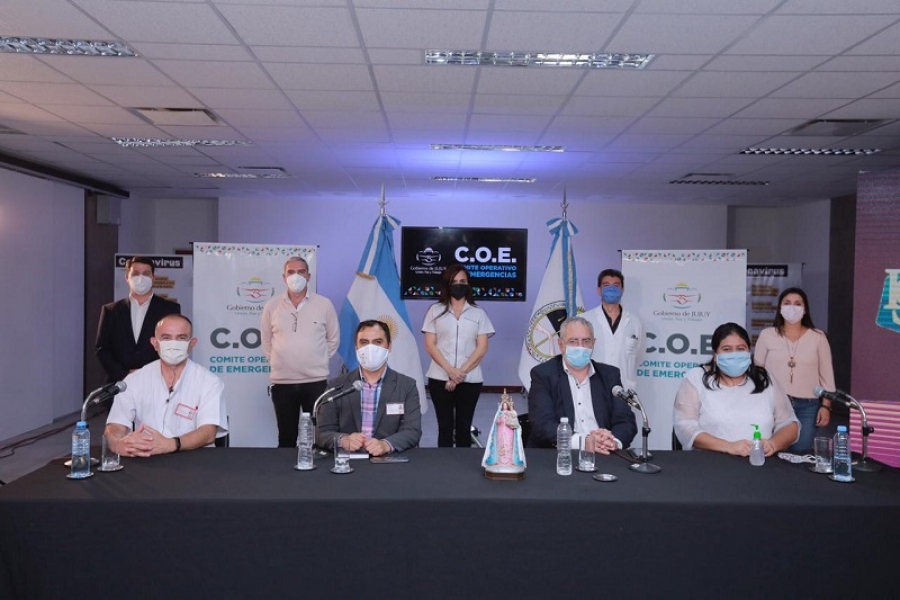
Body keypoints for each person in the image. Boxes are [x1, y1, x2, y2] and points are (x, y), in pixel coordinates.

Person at [105, 314, 227, 457]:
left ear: (192, 344)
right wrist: (118, 443)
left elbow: (208, 433)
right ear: (155, 343)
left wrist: (172, 444)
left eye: (181, 338)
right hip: (147, 458)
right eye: (166, 338)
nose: (173, 344)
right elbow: (115, 425)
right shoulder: (134, 380)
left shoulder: (210, 382)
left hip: (195, 459)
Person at [674, 322, 799, 456]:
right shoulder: (696, 378)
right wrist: (728, 446)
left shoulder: (764, 378)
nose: (734, 354)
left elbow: (789, 424)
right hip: (710, 462)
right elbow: (685, 427)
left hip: (759, 462)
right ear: (715, 355)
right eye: (727, 349)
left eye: (740, 348)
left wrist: (773, 444)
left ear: (749, 352)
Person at [261, 256, 339, 448]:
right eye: (291, 272)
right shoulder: (271, 306)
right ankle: (285, 469)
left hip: (316, 382)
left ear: (308, 276)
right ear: (284, 277)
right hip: (282, 383)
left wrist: (317, 358)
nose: (296, 276)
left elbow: (333, 339)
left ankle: (316, 469)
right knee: (286, 437)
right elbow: (267, 342)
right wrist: (282, 361)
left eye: (301, 272)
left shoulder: (324, 304)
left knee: (320, 436)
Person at [527, 316, 637, 453]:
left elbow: (625, 420)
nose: (580, 346)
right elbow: (542, 424)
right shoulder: (543, 374)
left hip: (604, 452)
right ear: (561, 345)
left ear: (593, 343)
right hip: (560, 454)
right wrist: (585, 442)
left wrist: (613, 441)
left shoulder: (609, 374)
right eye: (573, 341)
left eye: (586, 341)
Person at [316, 320, 421, 455]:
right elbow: (322, 433)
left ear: (389, 347)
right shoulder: (336, 386)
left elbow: (412, 431)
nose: (370, 348)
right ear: (356, 348)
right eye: (364, 342)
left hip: (389, 461)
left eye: (378, 342)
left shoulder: (406, 386)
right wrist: (343, 440)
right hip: (348, 461)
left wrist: (386, 445)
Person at [754, 287, 835, 453]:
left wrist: (826, 406)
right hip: (774, 404)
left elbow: (827, 376)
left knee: (800, 451)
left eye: (798, 304)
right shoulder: (767, 335)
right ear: (780, 308)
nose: (792, 308)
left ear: (805, 310)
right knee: (772, 448)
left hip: (808, 406)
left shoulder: (818, 337)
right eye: (787, 303)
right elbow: (757, 371)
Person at [422, 264, 495, 447]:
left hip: (470, 379)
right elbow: (430, 345)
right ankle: (444, 464)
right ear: (447, 285)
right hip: (439, 377)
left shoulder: (479, 313)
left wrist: (460, 373)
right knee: (444, 427)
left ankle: (463, 464)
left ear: (468, 284)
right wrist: (450, 371)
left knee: (464, 427)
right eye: (454, 282)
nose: (459, 285)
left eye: (462, 281)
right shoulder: (435, 310)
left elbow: (482, 348)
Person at [96, 256, 181, 383]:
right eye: (135, 274)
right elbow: (102, 348)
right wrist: (124, 374)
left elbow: (173, 346)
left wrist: (150, 374)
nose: (141, 278)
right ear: (127, 278)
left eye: (146, 274)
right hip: (120, 383)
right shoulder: (111, 311)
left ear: (153, 278)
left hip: (157, 382)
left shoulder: (169, 309)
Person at [582, 268, 644, 394]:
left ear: (622, 290)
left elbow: (639, 355)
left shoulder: (634, 322)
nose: (611, 289)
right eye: (606, 285)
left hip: (624, 389)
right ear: (599, 290)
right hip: (592, 386)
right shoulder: (584, 320)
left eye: (616, 285)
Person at [482, 391, 526, 477]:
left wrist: (511, 410)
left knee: (509, 444)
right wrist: (498, 420)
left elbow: (514, 417)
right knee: (501, 444)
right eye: (504, 405)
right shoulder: (499, 414)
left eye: (506, 405)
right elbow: (496, 422)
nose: (505, 407)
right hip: (501, 431)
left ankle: (509, 460)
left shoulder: (511, 413)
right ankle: (500, 460)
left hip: (509, 431)